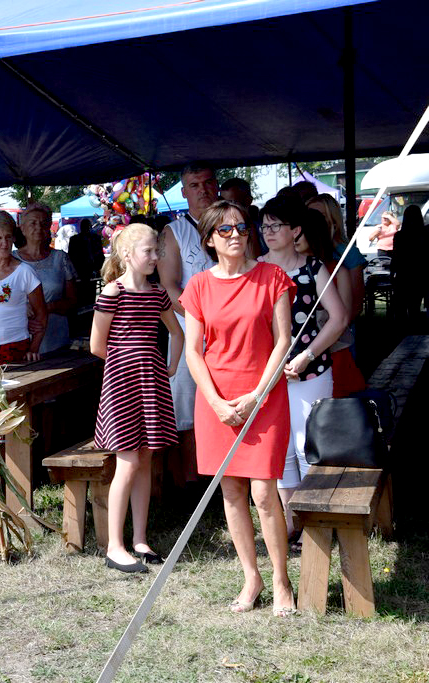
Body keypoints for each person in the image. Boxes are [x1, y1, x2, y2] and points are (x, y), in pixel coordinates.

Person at [181, 200, 296, 617]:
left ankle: (282, 580)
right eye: (225, 230)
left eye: (242, 228)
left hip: (263, 396)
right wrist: (215, 402)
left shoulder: (272, 277)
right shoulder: (197, 286)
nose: (236, 236)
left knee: (264, 493)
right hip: (217, 398)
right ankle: (251, 578)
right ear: (210, 239)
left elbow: (283, 342)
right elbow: (194, 352)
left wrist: (255, 396)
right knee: (231, 492)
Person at [90, 223, 182, 573]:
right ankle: (115, 545)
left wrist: (169, 365)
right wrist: (130, 359)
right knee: (127, 462)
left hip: (152, 381)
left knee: (145, 459)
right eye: (149, 252)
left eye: (158, 251)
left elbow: (176, 332)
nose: (156, 258)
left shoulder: (157, 294)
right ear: (127, 255)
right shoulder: (113, 293)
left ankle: (140, 538)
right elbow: (98, 345)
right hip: (123, 383)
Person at [258, 198, 347, 540]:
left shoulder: (313, 268)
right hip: (268, 374)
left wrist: (307, 354)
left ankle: (318, 523)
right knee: (280, 450)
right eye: (264, 226)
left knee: (307, 445)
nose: (268, 233)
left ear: (295, 230)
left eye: (276, 226)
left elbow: (338, 318)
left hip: (311, 369)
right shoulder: (257, 268)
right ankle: (294, 523)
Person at [156, 162, 219, 483]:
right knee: (187, 406)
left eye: (208, 182)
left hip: (234, 331)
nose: (203, 190)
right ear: (184, 192)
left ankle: (229, 475)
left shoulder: (233, 223)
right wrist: (204, 319)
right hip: (190, 329)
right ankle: (191, 480)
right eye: (195, 185)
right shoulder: (174, 231)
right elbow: (169, 284)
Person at [306, 194, 366, 396]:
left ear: (331, 219)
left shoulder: (346, 254)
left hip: (336, 342)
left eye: (319, 215)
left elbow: (353, 307)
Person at [0, 211, 48, 363]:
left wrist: (33, 348)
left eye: (8, 237)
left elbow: (42, 315)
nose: (4, 243)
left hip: (16, 350)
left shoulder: (25, 272)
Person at [14, 203, 76, 354]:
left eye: (43, 223)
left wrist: (45, 308)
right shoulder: (11, 260)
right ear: (22, 228)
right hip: (20, 337)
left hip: (56, 337)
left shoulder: (61, 258)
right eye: (33, 223)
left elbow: (73, 301)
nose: (38, 227)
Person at [392, 205, 427, 323]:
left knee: (400, 308)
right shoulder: (424, 235)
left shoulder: (399, 236)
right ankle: (414, 331)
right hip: (419, 275)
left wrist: (392, 274)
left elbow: (395, 257)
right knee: (414, 307)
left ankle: (401, 333)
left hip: (403, 275)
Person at [67, 217, 104, 308]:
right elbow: (71, 257)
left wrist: (98, 268)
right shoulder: (74, 239)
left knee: (91, 296)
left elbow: (100, 255)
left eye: (88, 226)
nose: (87, 228)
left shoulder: (96, 238)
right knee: (81, 297)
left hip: (92, 272)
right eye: (85, 226)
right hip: (80, 272)